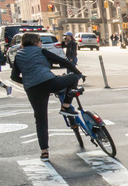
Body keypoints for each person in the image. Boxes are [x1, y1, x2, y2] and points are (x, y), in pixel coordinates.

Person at [10, 32, 83, 162]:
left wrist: (28, 82)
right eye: (40, 41)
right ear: (36, 42)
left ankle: (44, 152)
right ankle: (65, 106)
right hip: (49, 82)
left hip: (32, 89)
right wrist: (79, 73)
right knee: (73, 78)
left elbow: (14, 77)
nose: (41, 44)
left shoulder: (18, 55)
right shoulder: (41, 51)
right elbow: (63, 62)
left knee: (41, 120)